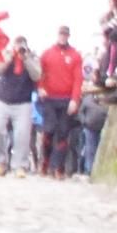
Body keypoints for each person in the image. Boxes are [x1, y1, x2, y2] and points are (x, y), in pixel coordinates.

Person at [0, 38, 42, 177]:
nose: (19, 49)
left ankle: (20, 165)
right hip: (3, 100)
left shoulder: (32, 58)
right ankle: (0, 162)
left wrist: (25, 59)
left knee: (22, 135)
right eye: (17, 46)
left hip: (23, 103)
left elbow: (37, 76)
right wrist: (9, 59)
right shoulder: (5, 55)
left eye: (22, 46)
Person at [37, 25, 84, 179]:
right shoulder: (47, 54)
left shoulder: (75, 55)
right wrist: (40, 88)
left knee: (63, 133)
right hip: (49, 98)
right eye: (61, 34)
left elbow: (78, 79)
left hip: (66, 99)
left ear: (68, 36)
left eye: (65, 34)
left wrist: (75, 100)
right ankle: (46, 162)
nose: (63, 37)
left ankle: (59, 167)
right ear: (57, 35)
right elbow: (39, 74)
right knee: (49, 131)